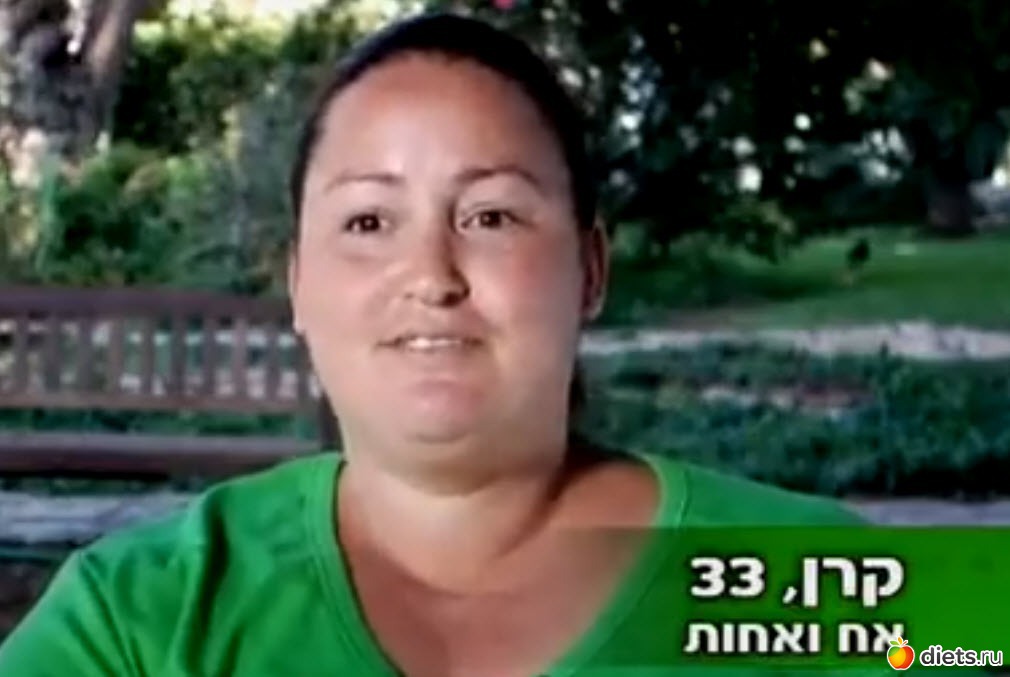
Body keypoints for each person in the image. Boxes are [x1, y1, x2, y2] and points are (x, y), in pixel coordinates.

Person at [0, 12, 869, 677]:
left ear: (591, 269)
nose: (431, 274)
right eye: (368, 221)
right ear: (298, 284)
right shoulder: (135, 621)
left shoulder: (827, 586)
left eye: (491, 216)